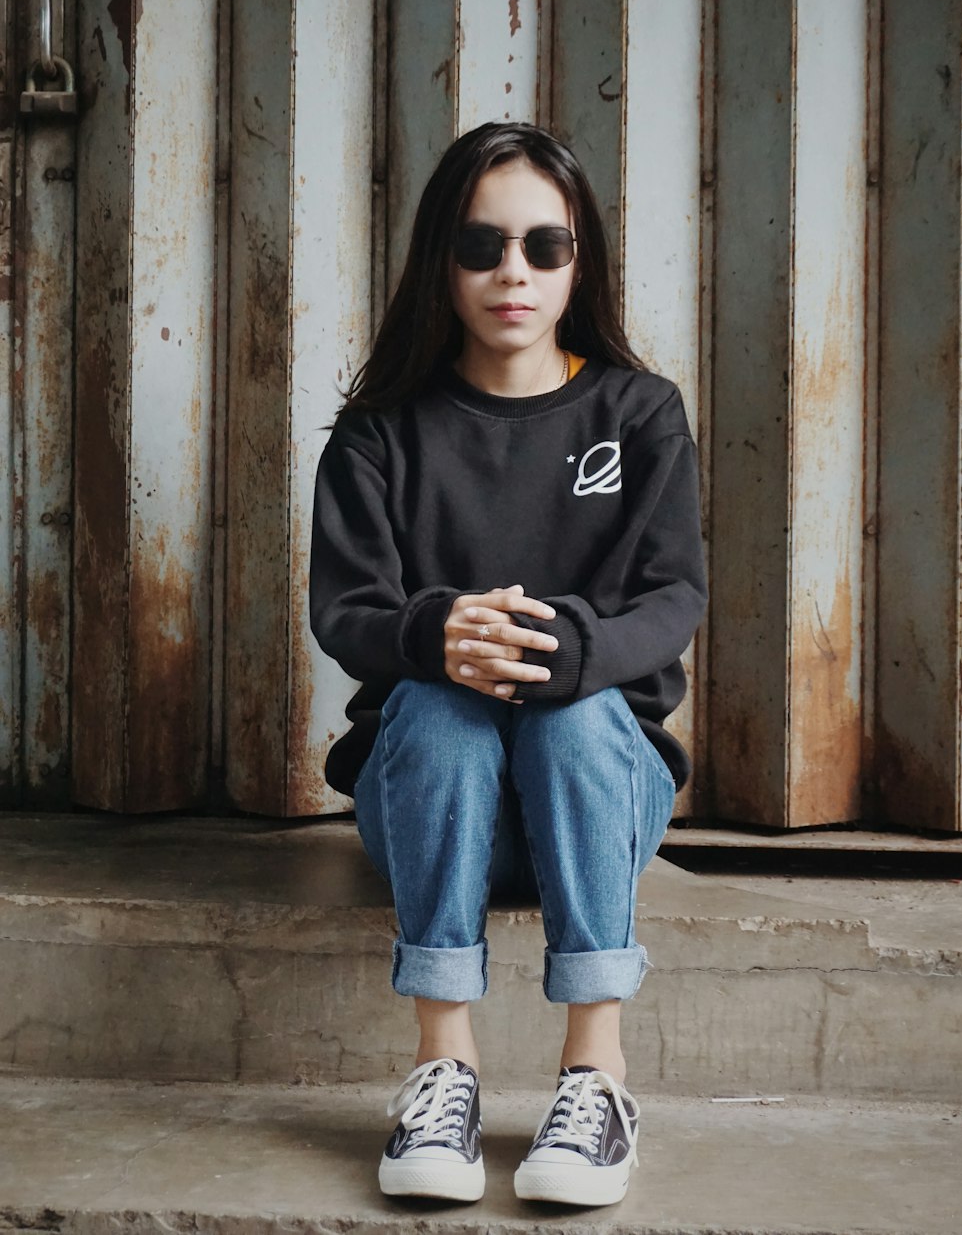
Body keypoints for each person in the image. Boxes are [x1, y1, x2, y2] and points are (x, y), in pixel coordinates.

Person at [309, 121, 708, 1208]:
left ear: (582, 260)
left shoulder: (638, 414)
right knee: (438, 709)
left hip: (593, 805)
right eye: (481, 246)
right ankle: (445, 1066)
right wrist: (434, 635)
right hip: (441, 824)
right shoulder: (378, 434)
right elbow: (345, 609)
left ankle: (596, 1076)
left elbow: (674, 598)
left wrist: (570, 650)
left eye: (544, 246)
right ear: (442, 258)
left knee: (573, 714)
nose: (512, 274)